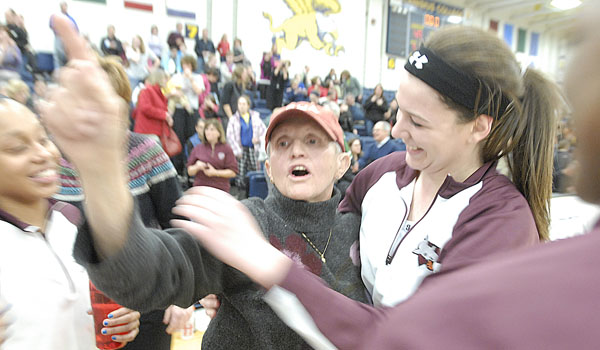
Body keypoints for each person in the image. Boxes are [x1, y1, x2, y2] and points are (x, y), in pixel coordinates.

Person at [38, 20, 367, 348]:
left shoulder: (365, 231)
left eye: (313, 141)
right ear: (268, 167)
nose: (296, 150)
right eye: (282, 143)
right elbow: (150, 273)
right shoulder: (244, 221)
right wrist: (102, 172)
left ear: (343, 163)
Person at [55, 56, 187, 350]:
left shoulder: (146, 149)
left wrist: (181, 297)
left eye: (109, 101)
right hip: (81, 315)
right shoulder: (57, 163)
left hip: (150, 305)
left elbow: (177, 223)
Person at [0, 96, 141, 349]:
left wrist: (122, 321)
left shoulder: (72, 221)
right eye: (17, 148)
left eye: (43, 139)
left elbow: (93, 315)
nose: (43, 154)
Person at [226, 95, 266, 194]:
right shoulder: (233, 119)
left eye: (244, 104)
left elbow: (264, 132)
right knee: (240, 172)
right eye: (239, 104)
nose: (241, 106)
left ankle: (253, 191)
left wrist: (258, 139)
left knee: (254, 170)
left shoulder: (256, 118)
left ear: (248, 105)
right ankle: (241, 193)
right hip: (240, 149)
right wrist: (236, 151)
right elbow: (230, 136)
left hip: (253, 149)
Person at [187, 119, 238, 192]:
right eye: (206, 129)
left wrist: (215, 172)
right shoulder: (198, 148)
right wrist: (197, 167)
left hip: (220, 189)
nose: (208, 132)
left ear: (219, 133)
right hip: (200, 189)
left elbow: (233, 172)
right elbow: (189, 171)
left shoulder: (226, 148)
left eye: (212, 129)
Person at [133, 69, 171, 144]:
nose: (166, 81)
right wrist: (164, 115)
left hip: (154, 133)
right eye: (164, 78)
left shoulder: (158, 93)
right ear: (158, 78)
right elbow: (145, 108)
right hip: (147, 134)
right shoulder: (147, 90)